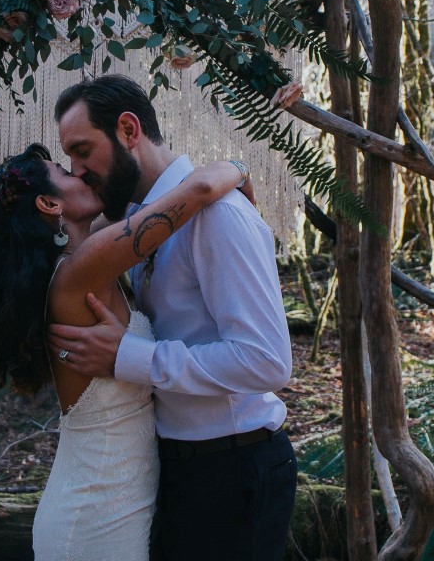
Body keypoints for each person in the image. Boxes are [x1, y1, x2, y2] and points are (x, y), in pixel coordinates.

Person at [0, 141, 257, 561]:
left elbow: (137, 208)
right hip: (93, 517)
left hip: (108, 504)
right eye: (64, 171)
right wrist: (240, 167)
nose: (79, 173)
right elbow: (202, 188)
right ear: (47, 203)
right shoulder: (82, 269)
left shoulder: (81, 259)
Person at [47, 74, 299, 561]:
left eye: (82, 150)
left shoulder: (217, 214)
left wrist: (130, 357)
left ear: (128, 130)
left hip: (236, 468)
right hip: (178, 470)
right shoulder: (141, 222)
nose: (77, 171)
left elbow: (267, 362)